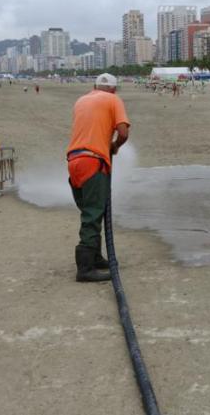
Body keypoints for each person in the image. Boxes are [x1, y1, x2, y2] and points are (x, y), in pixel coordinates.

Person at [66, 73, 130, 282]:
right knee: (93, 214)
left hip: (74, 160)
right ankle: (84, 268)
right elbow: (123, 132)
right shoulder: (113, 99)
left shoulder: (81, 100)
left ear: (94, 86)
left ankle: (95, 257)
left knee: (92, 209)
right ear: (113, 89)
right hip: (94, 161)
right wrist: (114, 146)